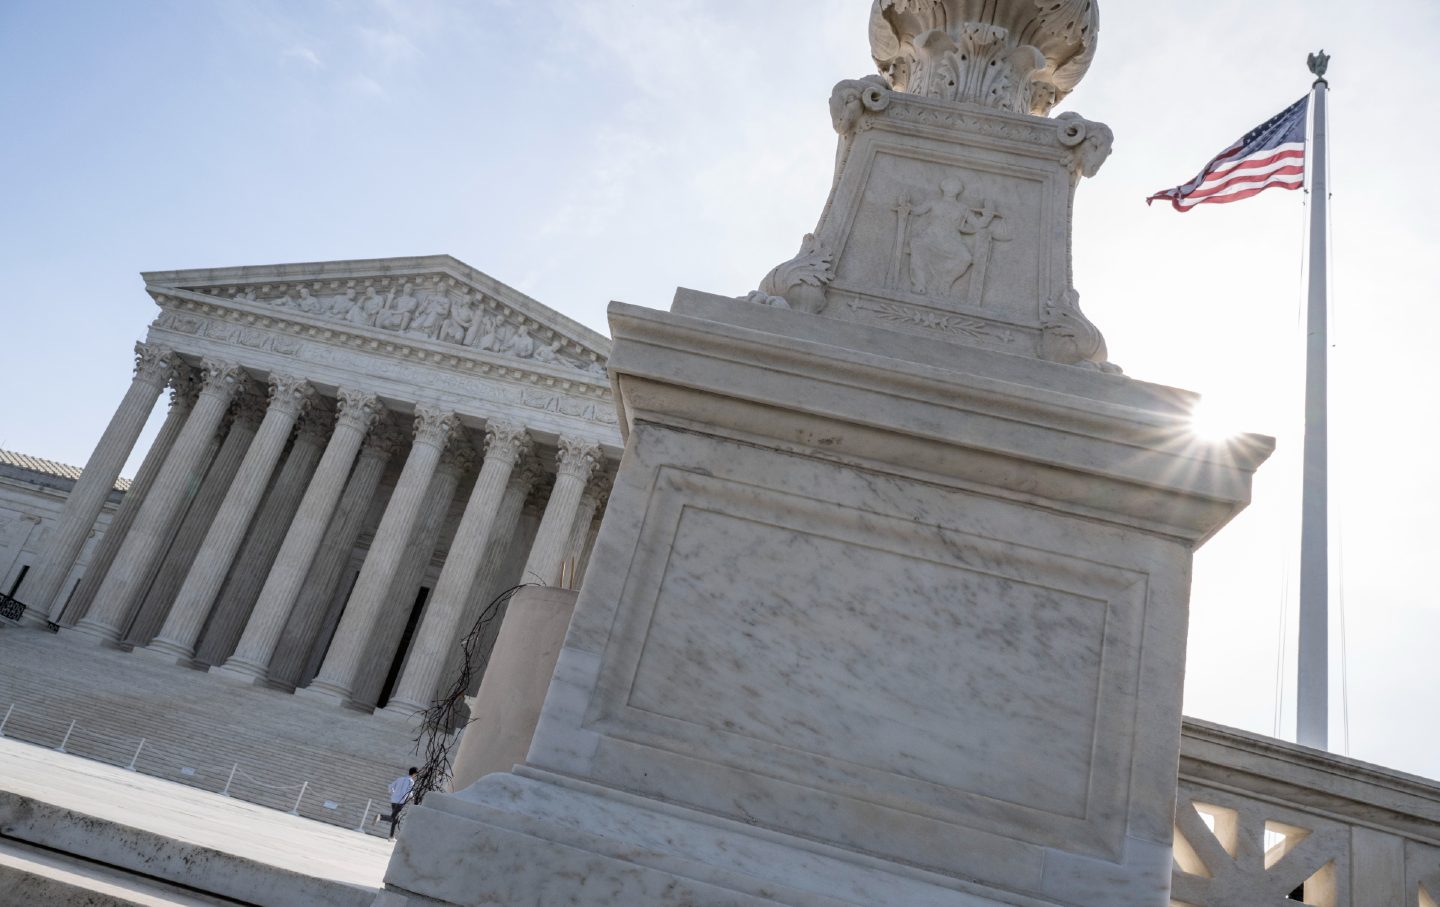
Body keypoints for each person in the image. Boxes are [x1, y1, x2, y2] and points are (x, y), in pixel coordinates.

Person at [386, 767, 418, 839]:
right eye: (416, 774)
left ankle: (391, 836)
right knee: (393, 817)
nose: (416, 776)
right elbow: (410, 793)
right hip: (400, 802)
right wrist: (412, 798)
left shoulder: (400, 778)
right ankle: (381, 816)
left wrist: (393, 793)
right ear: (414, 774)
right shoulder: (411, 781)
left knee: (395, 819)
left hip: (393, 800)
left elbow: (390, 786)